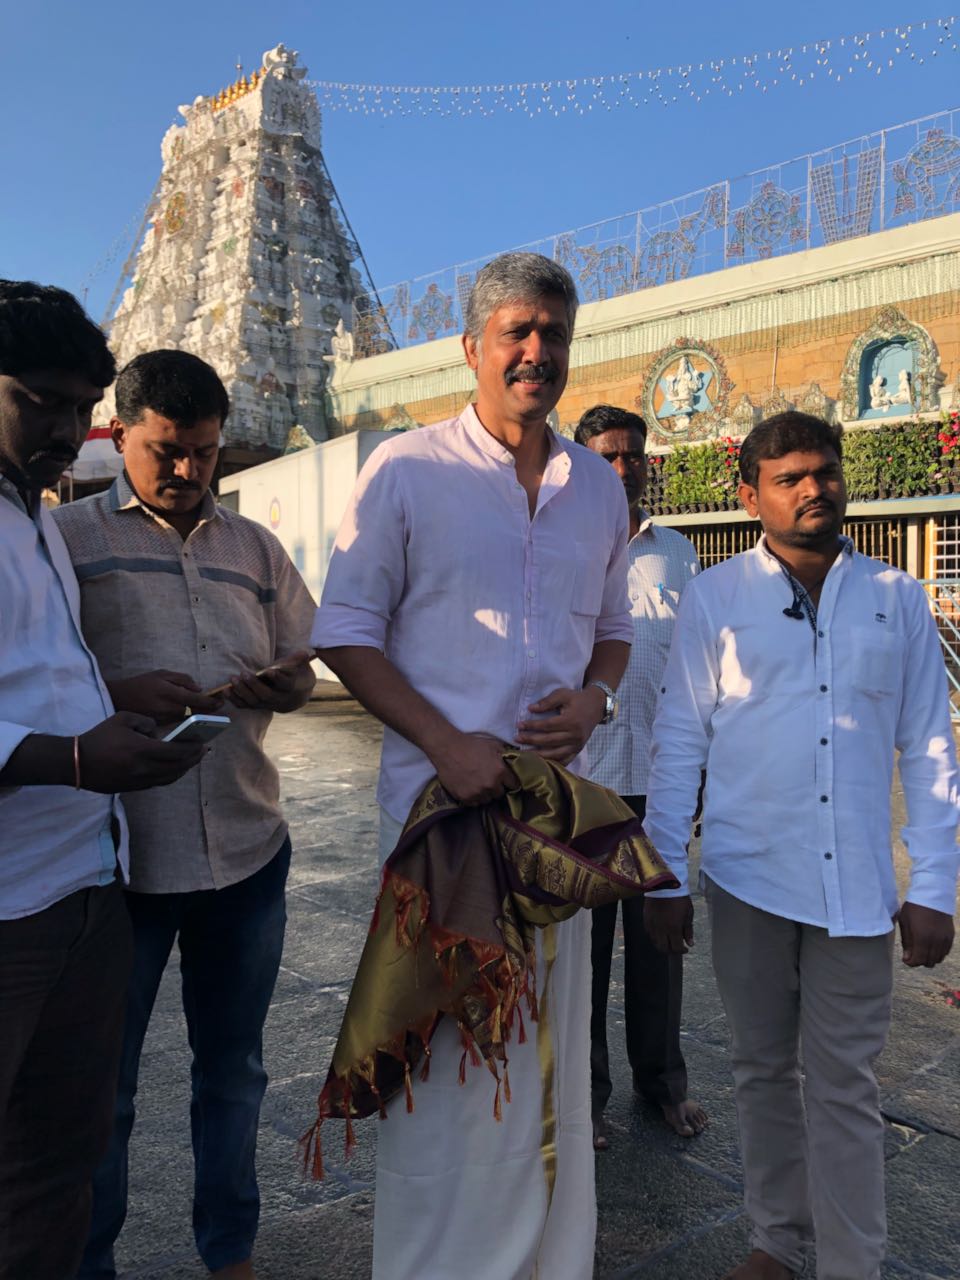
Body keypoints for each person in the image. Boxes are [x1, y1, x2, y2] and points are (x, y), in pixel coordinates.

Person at [313, 252, 633, 1279]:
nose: (537, 352)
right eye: (516, 332)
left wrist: (595, 698)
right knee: (449, 1066)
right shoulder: (407, 469)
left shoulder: (597, 487)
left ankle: (551, 1262)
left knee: (551, 1055)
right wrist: (443, 741)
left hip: (550, 826)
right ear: (472, 347)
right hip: (440, 824)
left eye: (554, 334)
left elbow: (615, 631)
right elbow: (345, 630)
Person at [643, 411, 959, 1280]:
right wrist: (663, 877)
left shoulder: (896, 598)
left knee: (847, 1086)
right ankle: (778, 1243)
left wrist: (936, 885)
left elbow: (930, 748)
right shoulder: (716, 596)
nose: (813, 489)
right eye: (788, 479)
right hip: (747, 875)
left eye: (824, 472)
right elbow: (680, 739)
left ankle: (853, 1262)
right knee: (760, 1070)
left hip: (856, 889)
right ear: (751, 496)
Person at [54, 350, 318, 1280]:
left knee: (235, 1073)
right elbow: (37, 682)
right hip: (117, 860)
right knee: (104, 1087)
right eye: (166, 449)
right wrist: (117, 692)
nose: (187, 469)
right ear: (119, 433)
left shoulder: (256, 550)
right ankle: (90, 1258)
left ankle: (230, 1250)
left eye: (204, 451)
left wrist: (285, 684)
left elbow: (303, 664)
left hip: (246, 851)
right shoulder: (66, 542)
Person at [0, 282, 203, 1279]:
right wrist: (76, 759)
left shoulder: (35, 512)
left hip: (86, 882)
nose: (62, 430)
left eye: (78, 408)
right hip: (7, 909)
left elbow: (27, 674)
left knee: (59, 1163)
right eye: (38, 400)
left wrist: (115, 696)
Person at [574, 404, 707, 1149]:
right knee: (583, 958)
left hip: (659, 787)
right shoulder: (562, 546)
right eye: (607, 456)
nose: (623, 468)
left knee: (661, 947)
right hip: (584, 787)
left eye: (633, 455)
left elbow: (701, 672)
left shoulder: (677, 556)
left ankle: (663, 1086)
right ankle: (584, 1097)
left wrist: (703, 771)